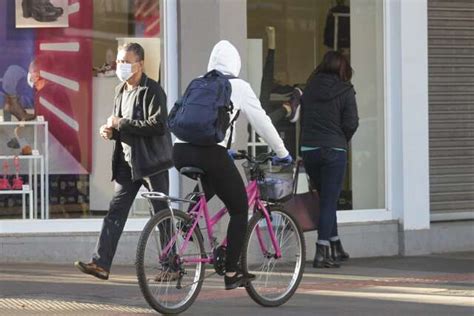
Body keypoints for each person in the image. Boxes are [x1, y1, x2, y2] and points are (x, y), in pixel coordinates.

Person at [173, 40, 292, 290]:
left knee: (215, 178)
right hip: (210, 154)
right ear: (235, 63)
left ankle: (188, 220)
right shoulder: (238, 86)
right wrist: (282, 152)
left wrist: (224, 149)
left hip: (180, 151)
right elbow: (263, 123)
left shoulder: (198, 82)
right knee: (239, 209)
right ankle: (231, 271)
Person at [75, 43, 172, 280]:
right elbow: (122, 126)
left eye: (125, 62)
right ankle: (100, 264)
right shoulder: (120, 90)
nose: (120, 66)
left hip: (152, 163)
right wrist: (112, 132)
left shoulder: (153, 91)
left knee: (161, 216)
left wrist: (120, 124)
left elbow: (158, 126)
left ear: (140, 64)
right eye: (118, 62)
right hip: (127, 163)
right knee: (115, 212)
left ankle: (172, 267)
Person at [300, 51, 359, 268]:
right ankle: (321, 251)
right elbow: (352, 122)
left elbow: (304, 120)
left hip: (310, 149)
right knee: (328, 200)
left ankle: (335, 244)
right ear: (343, 68)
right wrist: (341, 140)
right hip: (334, 150)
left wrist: (302, 148)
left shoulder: (310, 88)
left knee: (325, 197)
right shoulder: (346, 90)